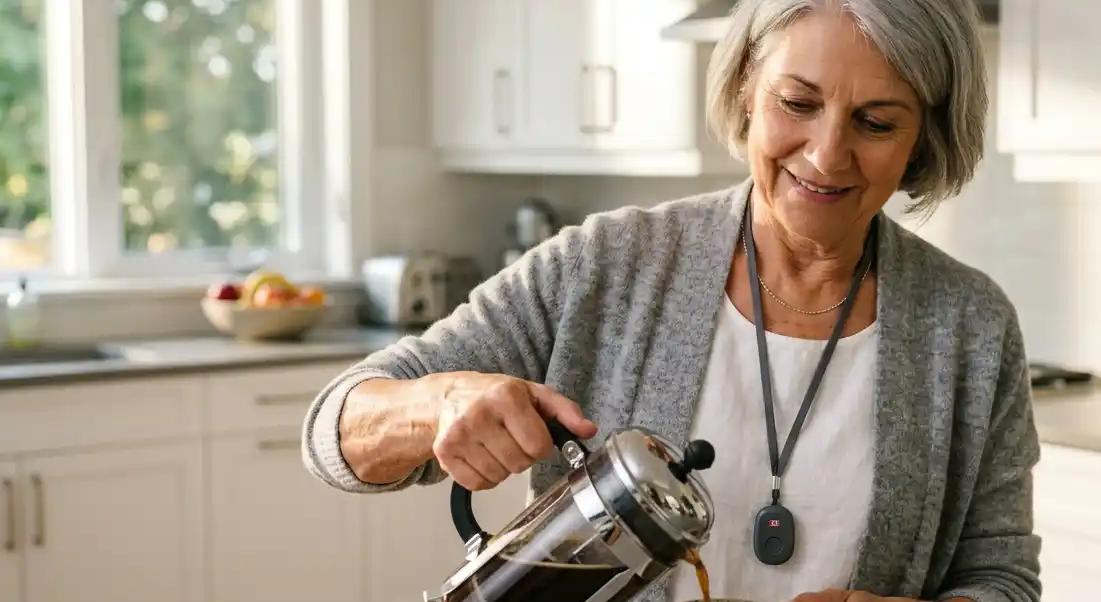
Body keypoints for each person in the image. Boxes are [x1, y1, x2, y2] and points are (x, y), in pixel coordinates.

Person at [302, 0, 1039, 600]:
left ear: (924, 137)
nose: (825, 154)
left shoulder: (970, 327)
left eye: (876, 122)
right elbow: (333, 432)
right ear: (748, 85)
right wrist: (437, 404)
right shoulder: (607, 265)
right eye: (798, 102)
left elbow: (1002, 577)